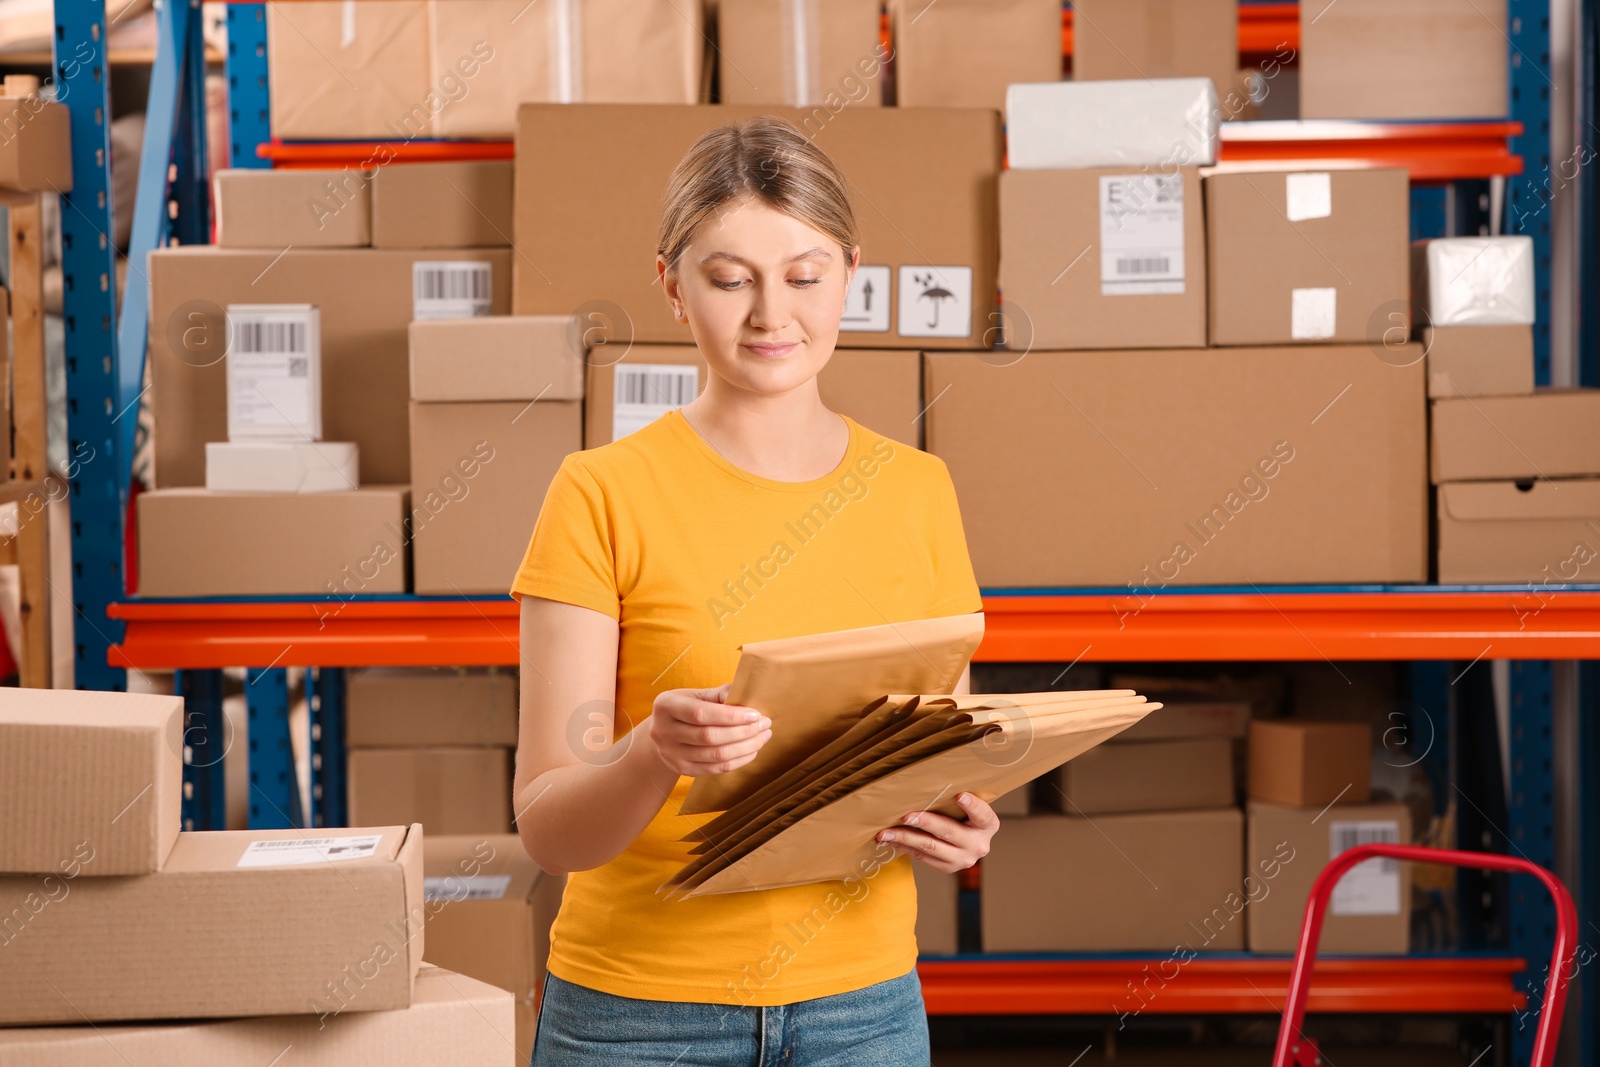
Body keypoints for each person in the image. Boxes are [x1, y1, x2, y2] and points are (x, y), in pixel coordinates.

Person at [510, 115, 997, 1067]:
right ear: (673, 284)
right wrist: (654, 750)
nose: (773, 314)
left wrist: (961, 823)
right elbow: (547, 828)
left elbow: (939, 754)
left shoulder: (917, 490)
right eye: (731, 279)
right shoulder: (599, 493)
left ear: (850, 273)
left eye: (805, 276)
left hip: (863, 1008)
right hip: (637, 1015)